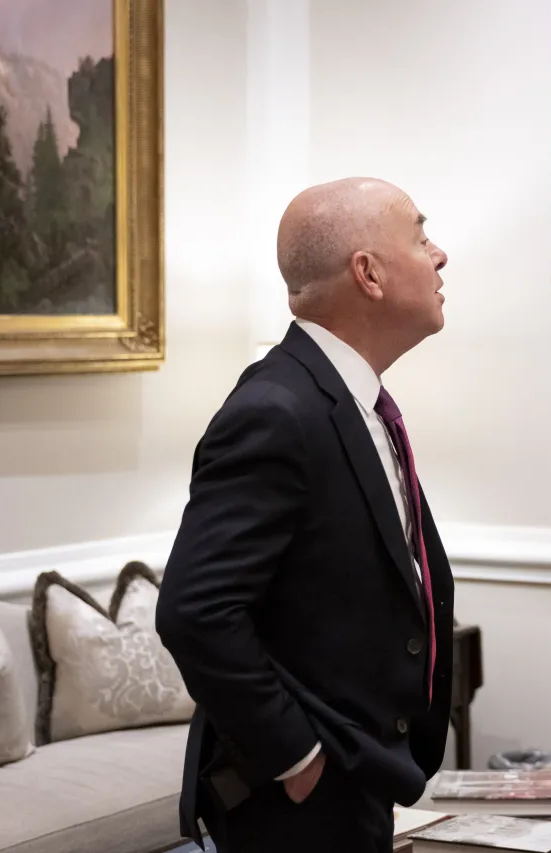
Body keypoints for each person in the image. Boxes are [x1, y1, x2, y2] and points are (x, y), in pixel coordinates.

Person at [156, 177, 454, 853]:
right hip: (297, 807)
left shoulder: (352, 402)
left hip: (358, 783)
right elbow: (194, 610)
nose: (440, 256)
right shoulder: (275, 410)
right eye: (421, 235)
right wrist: (296, 756)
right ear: (369, 273)